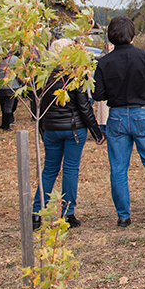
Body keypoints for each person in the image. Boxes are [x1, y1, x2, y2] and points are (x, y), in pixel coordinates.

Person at [93, 15, 145, 228]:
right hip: (143, 113)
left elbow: (98, 94)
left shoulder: (104, 62)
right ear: (133, 35)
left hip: (117, 114)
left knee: (118, 168)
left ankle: (123, 216)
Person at [32, 39, 106, 229]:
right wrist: (97, 132)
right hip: (73, 129)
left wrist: (42, 128)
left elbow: (36, 107)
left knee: (49, 170)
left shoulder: (42, 76)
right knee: (70, 170)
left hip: (51, 129)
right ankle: (68, 212)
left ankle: (36, 212)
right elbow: (84, 107)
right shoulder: (74, 75)